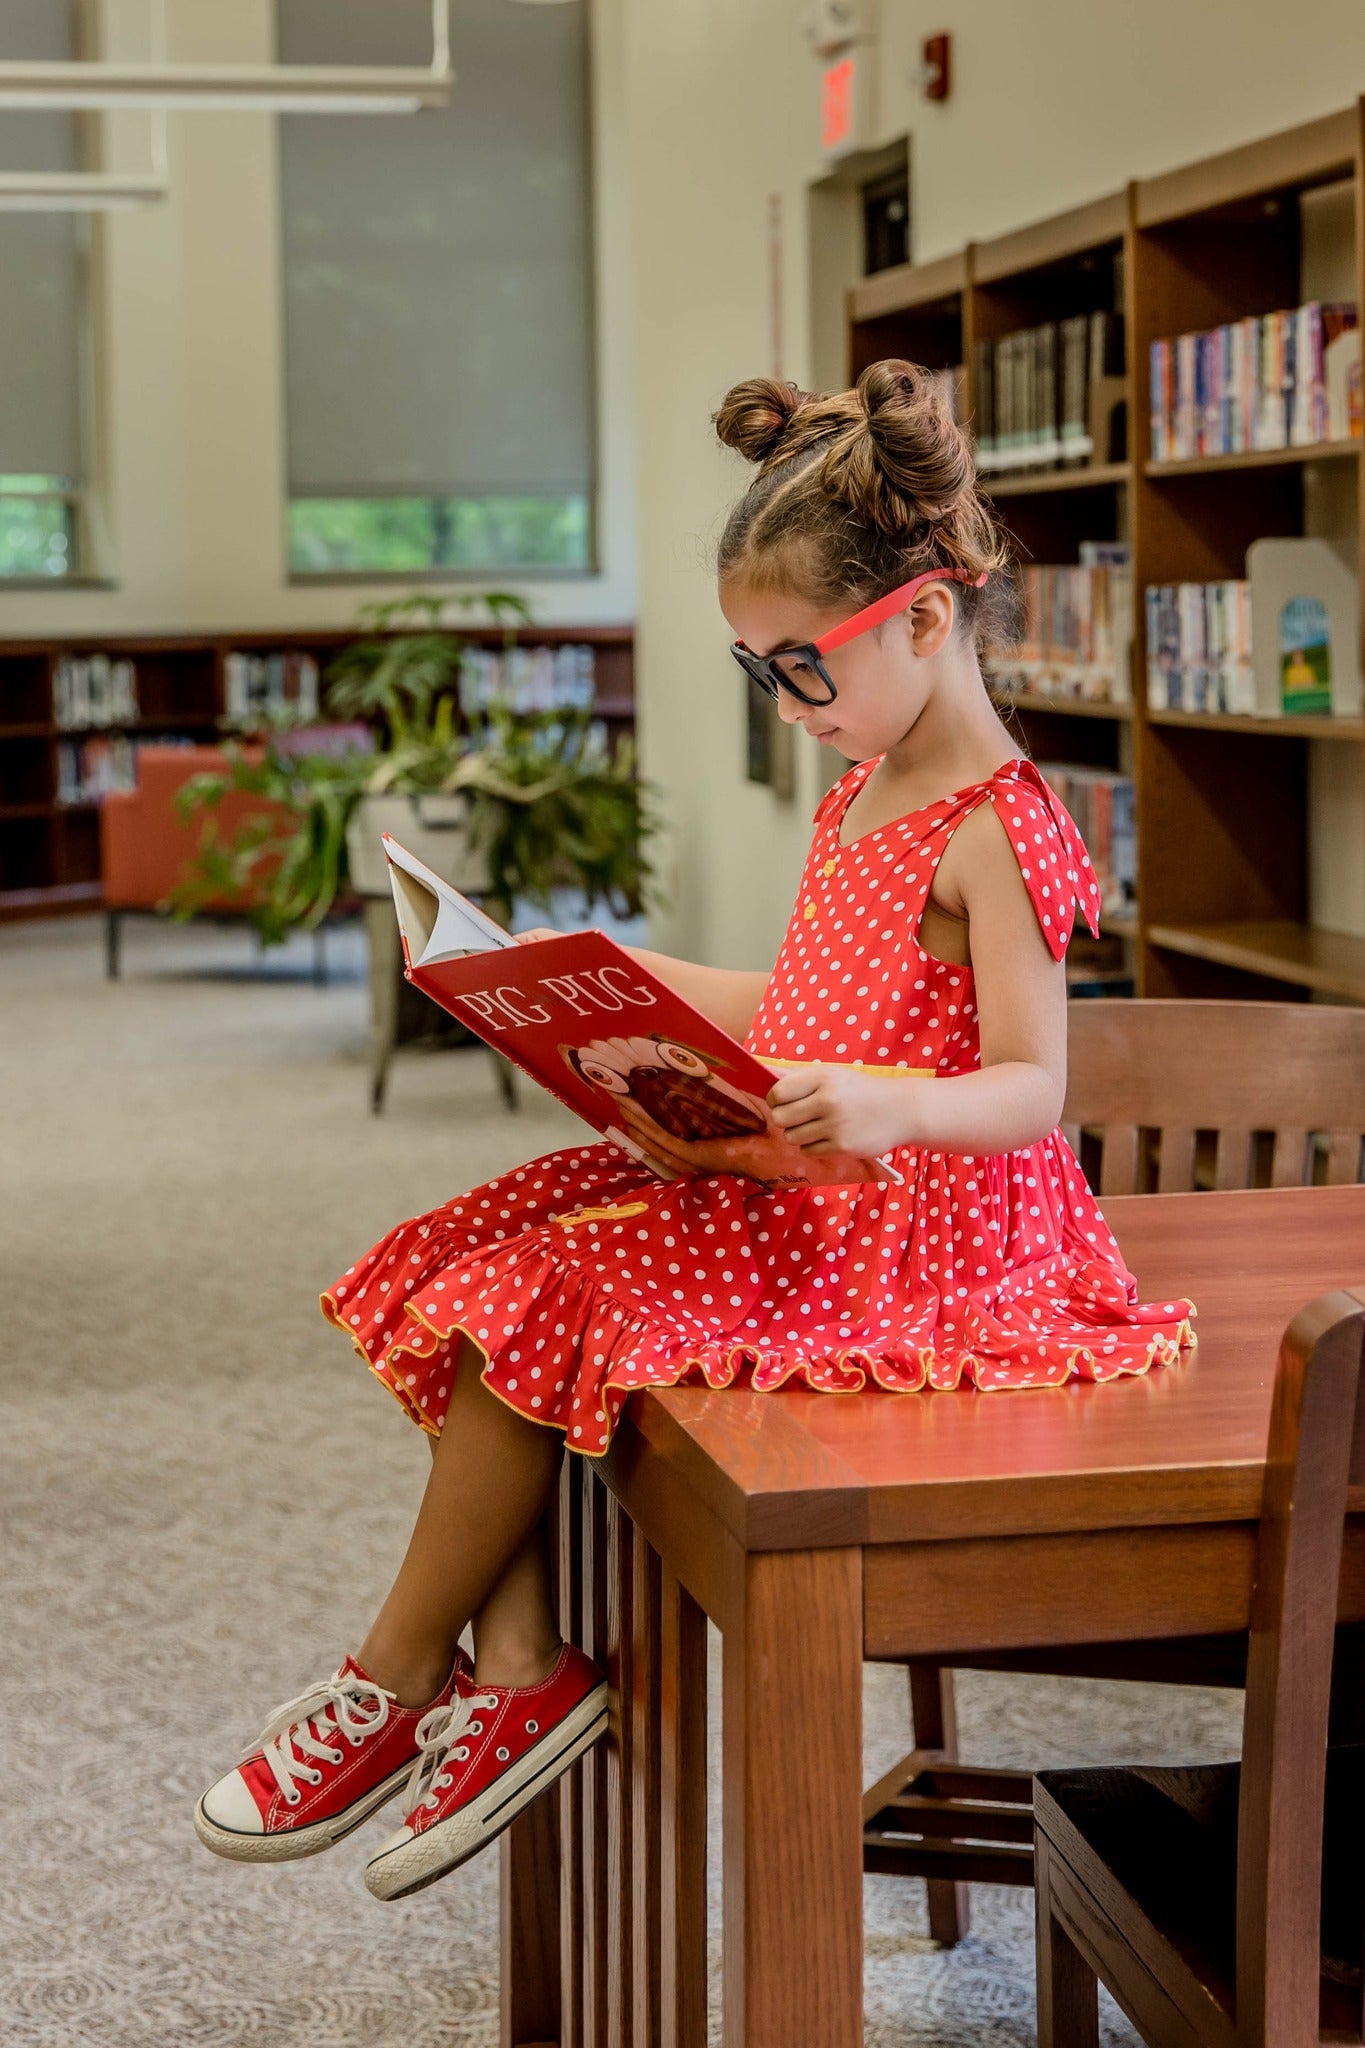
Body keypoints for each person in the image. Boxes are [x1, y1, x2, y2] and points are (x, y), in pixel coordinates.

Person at [195, 360, 1193, 1902]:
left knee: (539, 1294)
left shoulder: (1000, 818)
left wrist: (885, 1104)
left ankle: (397, 1677)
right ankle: (516, 1657)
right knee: (473, 1251)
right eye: (761, 671)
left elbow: (1031, 1089)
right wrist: (622, 984)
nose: (787, 704)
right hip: (818, 1183)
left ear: (924, 618)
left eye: (802, 666)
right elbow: (807, 997)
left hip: (933, 1242)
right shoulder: (858, 783)